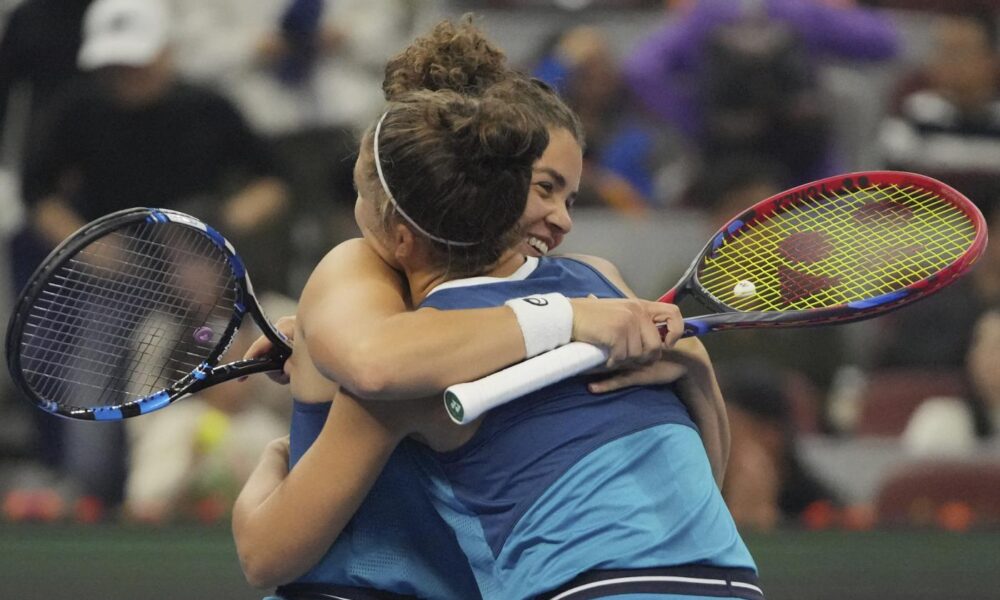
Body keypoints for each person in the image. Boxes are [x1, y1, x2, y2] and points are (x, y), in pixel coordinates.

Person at [234, 18, 741, 600]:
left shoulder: (592, 278)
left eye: (571, 196)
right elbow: (375, 363)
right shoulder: (358, 271)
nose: (563, 218)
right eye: (545, 187)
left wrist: (692, 363)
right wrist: (568, 320)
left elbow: (704, 492)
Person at [624, 0, 899, 185]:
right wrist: (840, 10)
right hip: (805, 167)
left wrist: (693, 119)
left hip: (724, 159)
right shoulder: (802, 9)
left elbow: (641, 70)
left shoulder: (704, 12)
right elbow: (885, 42)